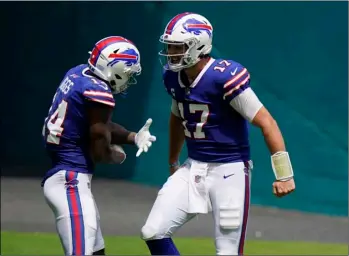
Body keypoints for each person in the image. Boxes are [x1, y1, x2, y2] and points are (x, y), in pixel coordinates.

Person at [140, 12, 295, 255]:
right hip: (193, 167)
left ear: (198, 45)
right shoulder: (173, 77)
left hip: (229, 171)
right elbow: (177, 117)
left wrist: (284, 175)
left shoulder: (223, 76)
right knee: (153, 231)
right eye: (170, 46)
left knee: (227, 251)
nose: (171, 53)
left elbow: (267, 122)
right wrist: (173, 160)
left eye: (178, 47)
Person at [41, 36, 156, 256]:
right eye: (128, 72)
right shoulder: (99, 93)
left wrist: (133, 137)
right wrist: (115, 155)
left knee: (96, 251)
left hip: (68, 177)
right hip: (70, 181)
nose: (129, 78)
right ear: (115, 68)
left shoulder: (78, 73)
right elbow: (99, 148)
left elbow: (98, 125)